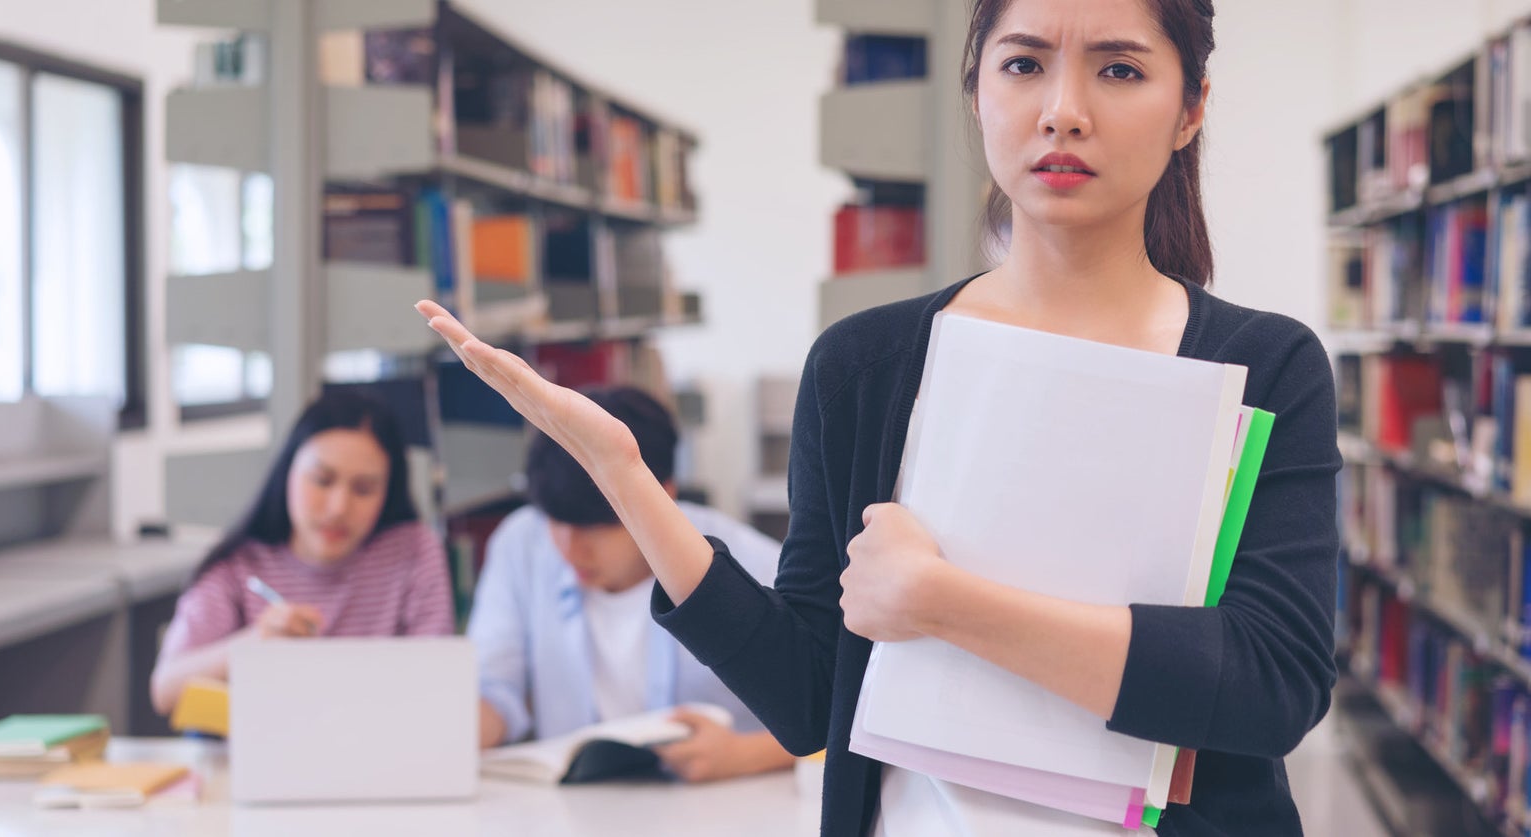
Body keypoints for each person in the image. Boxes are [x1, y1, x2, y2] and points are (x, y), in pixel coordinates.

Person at [417, 0, 1337, 832]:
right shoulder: (866, 366)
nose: (1064, 109)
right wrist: (622, 473)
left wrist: (944, 603)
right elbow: (815, 694)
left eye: (1120, 69)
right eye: (1022, 64)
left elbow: (1270, 685)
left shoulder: (1266, 366)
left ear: (1191, 109)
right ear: (976, 91)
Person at [469, 385, 795, 783]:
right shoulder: (522, 544)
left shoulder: (754, 563)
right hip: (572, 811)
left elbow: (839, 708)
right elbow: (496, 686)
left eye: (598, 526)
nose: (572, 549)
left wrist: (745, 754)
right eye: (556, 521)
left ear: (662, 495)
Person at [150, 390, 455, 716]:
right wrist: (254, 645)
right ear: (288, 473)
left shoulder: (413, 551)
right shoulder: (239, 566)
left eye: (364, 489)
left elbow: (437, 684)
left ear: (388, 491)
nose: (339, 508)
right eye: (322, 481)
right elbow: (165, 691)